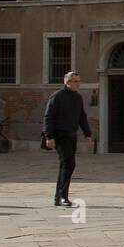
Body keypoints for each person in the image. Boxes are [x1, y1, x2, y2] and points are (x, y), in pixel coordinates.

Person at [43, 71, 91, 208]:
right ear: (67, 82)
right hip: (60, 135)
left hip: (71, 135)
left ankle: (59, 196)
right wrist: (49, 136)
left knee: (67, 165)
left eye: (79, 81)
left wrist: (87, 133)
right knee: (69, 163)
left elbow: (82, 117)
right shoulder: (57, 97)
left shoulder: (78, 98)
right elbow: (48, 117)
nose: (78, 84)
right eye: (75, 81)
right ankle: (62, 196)